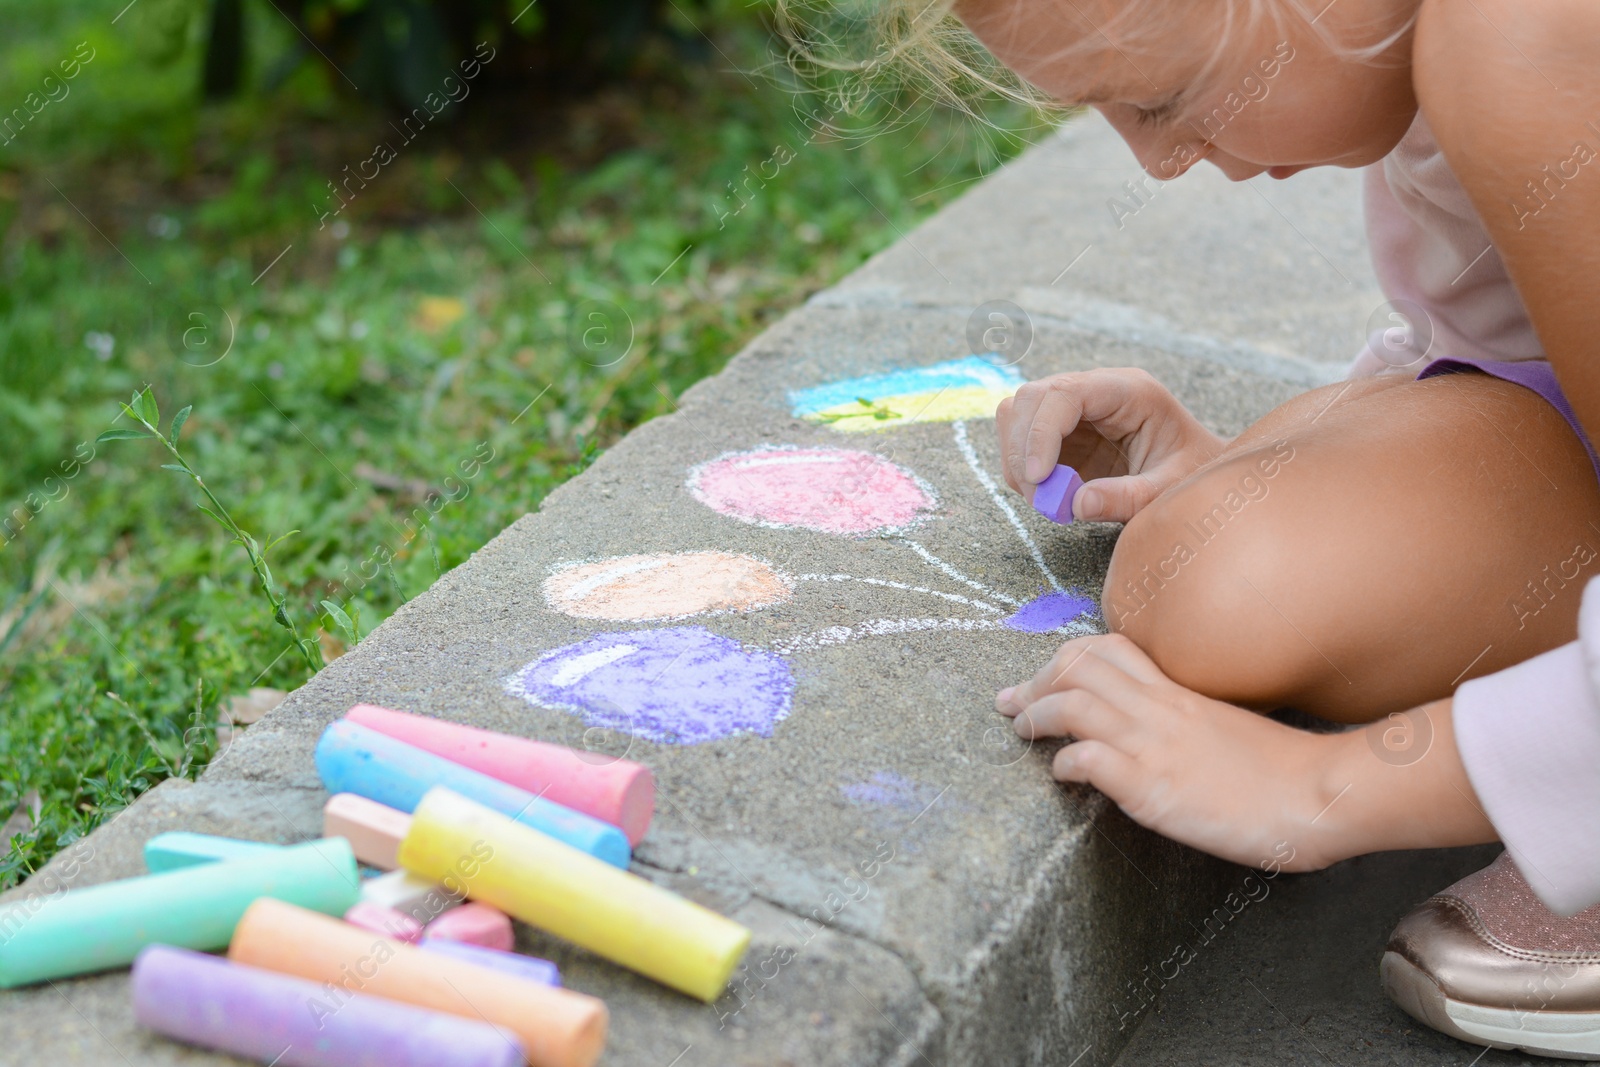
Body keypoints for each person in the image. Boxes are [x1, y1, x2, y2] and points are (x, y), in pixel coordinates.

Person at [857, 0, 1600, 1055]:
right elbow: (1511, 320)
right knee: (1223, 568)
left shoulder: (1521, 37)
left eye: (1159, 99)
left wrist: (1322, 789)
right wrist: (1254, 468)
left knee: (1220, 588)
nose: (1157, 164)